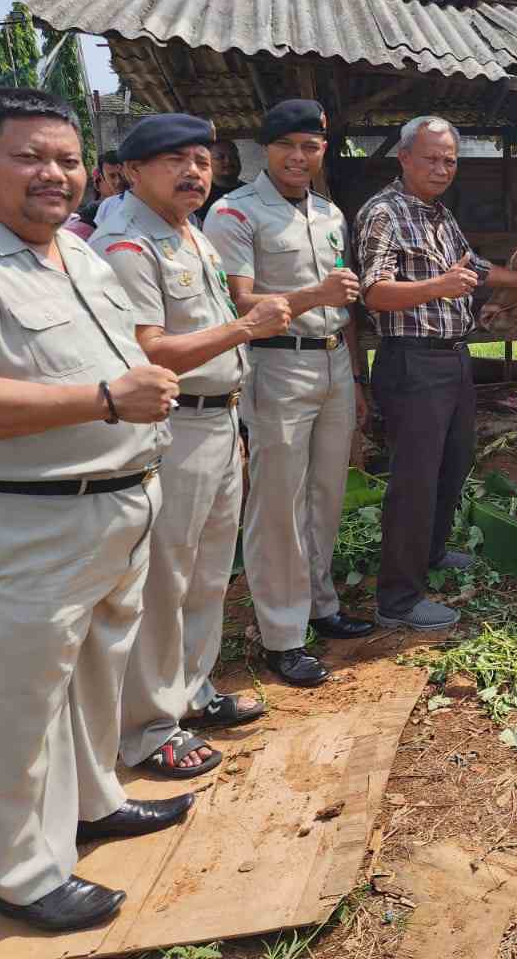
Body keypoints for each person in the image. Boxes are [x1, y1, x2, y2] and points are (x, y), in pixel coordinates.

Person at [0, 88, 186, 932]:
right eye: (29, 157)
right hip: (15, 522)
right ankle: (26, 873)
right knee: (18, 703)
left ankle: (94, 801)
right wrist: (104, 400)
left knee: (94, 674)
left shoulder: (77, 256)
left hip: (111, 507)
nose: (54, 174)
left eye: (68, 159)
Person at [93, 114, 291, 776]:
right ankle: (148, 728)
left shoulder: (190, 233)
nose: (194, 173)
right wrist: (246, 329)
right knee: (163, 579)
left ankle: (191, 691)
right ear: (132, 170)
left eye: (202, 161)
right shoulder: (125, 243)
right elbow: (146, 350)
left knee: (207, 572)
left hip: (217, 420)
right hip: (171, 428)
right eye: (175, 160)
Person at [353, 115, 517, 632]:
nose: (442, 169)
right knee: (415, 480)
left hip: (450, 357)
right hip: (412, 360)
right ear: (404, 158)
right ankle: (397, 600)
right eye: (432, 159)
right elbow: (373, 292)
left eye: (450, 160)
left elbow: (476, 269)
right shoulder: (383, 213)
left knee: (454, 462)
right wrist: (437, 287)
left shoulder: (439, 214)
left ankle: (432, 552)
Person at [206, 100, 374, 687]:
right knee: (277, 503)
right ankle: (282, 635)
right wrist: (313, 296)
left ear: (323, 149)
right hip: (276, 365)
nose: (299, 157)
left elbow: (344, 301)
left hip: (332, 363)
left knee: (326, 494)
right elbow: (237, 303)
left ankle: (321, 605)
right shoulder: (234, 213)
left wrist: (355, 376)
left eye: (311, 146)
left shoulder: (329, 214)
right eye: (287, 146)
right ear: (265, 149)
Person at [64, 150, 126, 240]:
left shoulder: (143, 200)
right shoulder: (101, 208)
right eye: (112, 176)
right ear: (103, 178)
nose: (118, 181)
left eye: (122, 175)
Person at [196, 139, 243, 227]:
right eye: (220, 157)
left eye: (233, 157)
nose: (228, 161)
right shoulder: (198, 196)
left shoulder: (252, 193)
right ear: (207, 162)